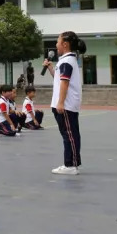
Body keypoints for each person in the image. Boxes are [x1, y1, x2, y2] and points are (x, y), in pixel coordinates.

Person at [44, 30, 86, 176]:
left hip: (66, 105)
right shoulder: (67, 60)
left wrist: (60, 103)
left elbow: (64, 83)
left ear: (65, 44)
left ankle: (71, 165)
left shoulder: (67, 61)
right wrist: (50, 68)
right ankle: (70, 163)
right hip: (66, 104)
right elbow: (59, 79)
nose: (56, 45)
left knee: (69, 135)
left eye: (58, 41)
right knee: (70, 134)